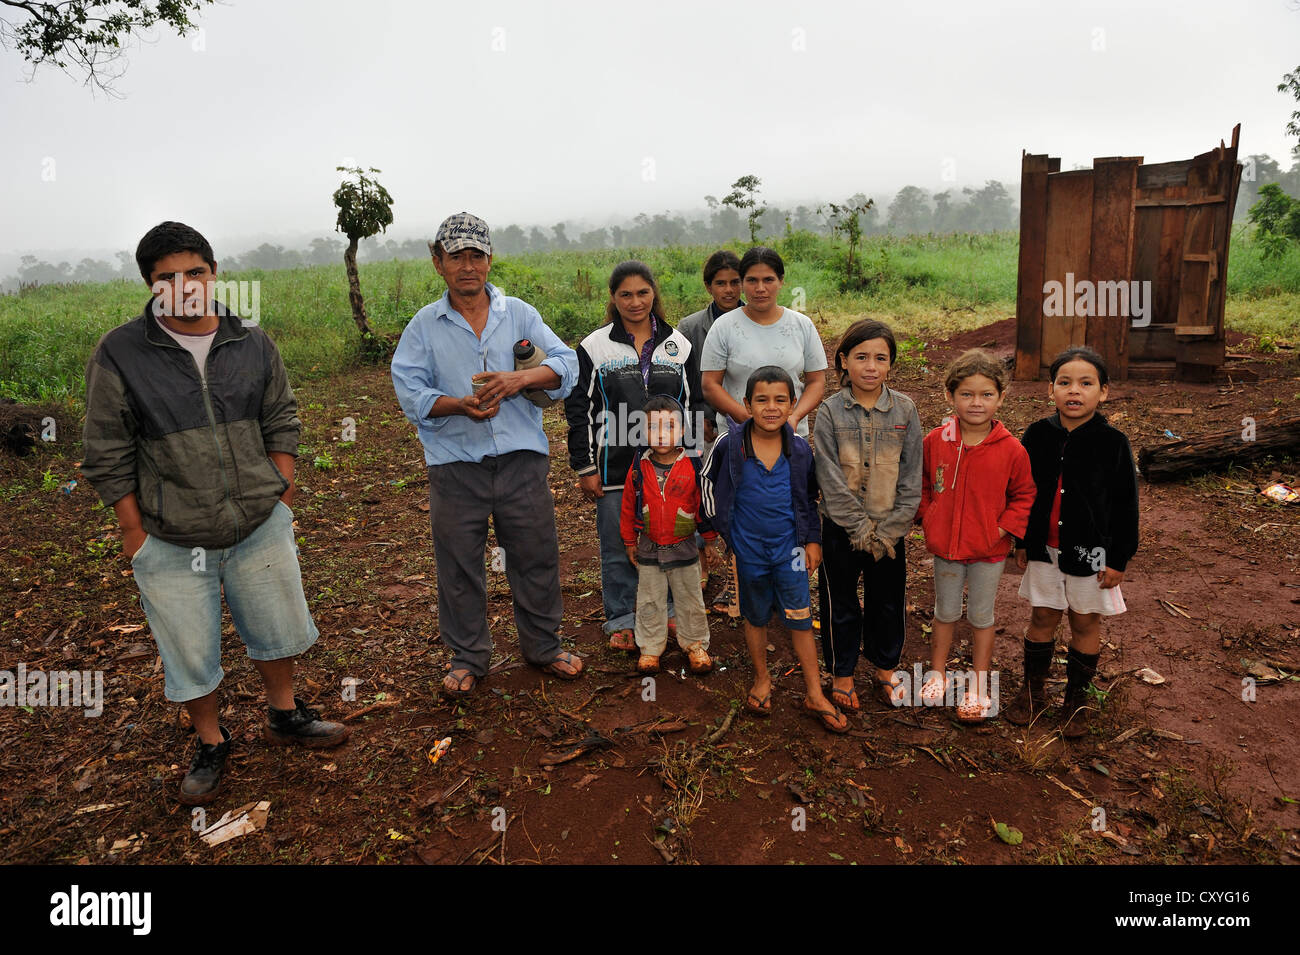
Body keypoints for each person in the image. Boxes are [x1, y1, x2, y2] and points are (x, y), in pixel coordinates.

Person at [81, 221, 348, 806]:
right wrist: (133, 531)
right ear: (151, 286)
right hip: (170, 533)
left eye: (195, 273)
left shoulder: (249, 339)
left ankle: (285, 715)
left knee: (275, 628)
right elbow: (105, 448)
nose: (184, 287)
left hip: (258, 521)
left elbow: (281, 415)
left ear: (214, 272)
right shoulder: (122, 351)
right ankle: (210, 740)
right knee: (190, 649)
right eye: (167, 279)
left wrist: (281, 490)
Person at [391, 212, 584, 700]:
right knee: (459, 565)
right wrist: (458, 405)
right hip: (455, 465)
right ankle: (469, 657)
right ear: (438, 263)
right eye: (457, 256)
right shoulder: (424, 327)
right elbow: (410, 391)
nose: (468, 266)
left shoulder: (519, 314)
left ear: (490, 259)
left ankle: (543, 646)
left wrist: (518, 379)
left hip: (522, 462)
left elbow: (567, 364)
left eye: (477, 255)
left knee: (535, 555)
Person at [702, 366, 845, 734]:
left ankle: (814, 691)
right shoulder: (730, 445)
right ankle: (762, 679)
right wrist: (726, 534)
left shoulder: (798, 449)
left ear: (793, 405)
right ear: (746, 404)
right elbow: (707, 484)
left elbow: (809, 498)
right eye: (761, 400)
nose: (771, 407)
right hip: (748, 551)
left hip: (790, 552)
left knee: (800, 617)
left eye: (780, 400)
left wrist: (812, 539)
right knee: (755, 616)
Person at [566, 260, 699, 652]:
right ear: (613, 298)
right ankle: (623, 616)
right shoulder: (594, 347)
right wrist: (585, 466)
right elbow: (580, 410)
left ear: (653, 293)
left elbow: (692, 407)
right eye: (625, 294)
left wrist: (692, 462)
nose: (635, 301)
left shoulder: (680, 345)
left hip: (671, 466)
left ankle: (672, 612)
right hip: (615, 465)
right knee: (619, 541)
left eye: (642, 292)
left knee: (672, 536)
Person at [1008, 346, 1138, 737]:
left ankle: (1076, 700)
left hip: (1092, 553)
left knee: (1084, 620)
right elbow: (1022, 491)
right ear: (1051, 390)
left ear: (1104, 392)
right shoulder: (1037, 435)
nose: (1074, 391)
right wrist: (1022, 541)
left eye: (1086, 383)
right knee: (1043, 616)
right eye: (1064, 383)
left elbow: (1126, 504)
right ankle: (1032, 691)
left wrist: (1118, 558)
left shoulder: (1113, 442)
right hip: (1045, 550)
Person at [917, 349, 1036, 723]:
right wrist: (929, 517)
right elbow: (921, 484)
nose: (976, 402)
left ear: (1001, 398)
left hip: (989, 551)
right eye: (966, 394)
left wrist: (1001, 529)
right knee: (946, 611)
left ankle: (979, 685)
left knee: (982, 616)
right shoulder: (936, 441)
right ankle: (936, 674)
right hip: (947, 550)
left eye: (986, 394)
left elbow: (1024, 495)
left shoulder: (1011, 449)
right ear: (950, 396)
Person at [812, 319, 922, 711]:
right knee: (839, 600)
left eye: (880, 357)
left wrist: (890, 529)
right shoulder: (828, 412)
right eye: (861, 357)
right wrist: (859, 528)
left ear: (891, 364)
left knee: (887, 600)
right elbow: (827, 475)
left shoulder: (905, 409)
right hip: (842, 530)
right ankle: (842, 673)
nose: (870, 366)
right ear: (844, 361)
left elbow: (911, 477)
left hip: (890, 532)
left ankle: (884, 667)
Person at [620, 395, 716, 675]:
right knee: (650, 599)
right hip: (649, 549)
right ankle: (650, 648)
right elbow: (628, 505)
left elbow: (703, 507)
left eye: (670, 427)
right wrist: (629, 541)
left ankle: (695, 644)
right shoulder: (639, 467)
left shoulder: (693, 466)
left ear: (683, 431)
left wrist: (709, 540)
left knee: (689, 598)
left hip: (684, 549)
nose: (661, 434)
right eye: (653, 427)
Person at [699, 245, 827, 438]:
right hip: (738, 436)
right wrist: (747, 418)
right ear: (742, 282)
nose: (760, 288)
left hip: (790, 437)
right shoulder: (723, 327)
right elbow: (710, 385)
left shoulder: (802, 325)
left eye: (768, 280)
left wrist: (794, 417)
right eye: (752, 280)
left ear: (781, 281)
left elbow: (816, 381)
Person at [677, 249, 743, 588]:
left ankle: (738, 563)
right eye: (721, 283)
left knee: (738, 490)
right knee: (698, 489)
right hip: (701, 421)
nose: (729, 290)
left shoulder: (755, 320)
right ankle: (702, 561)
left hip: (745, 418)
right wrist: (696, 417)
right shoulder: (690, 327)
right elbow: (681, 380)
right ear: (708, 287)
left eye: (735, 282)